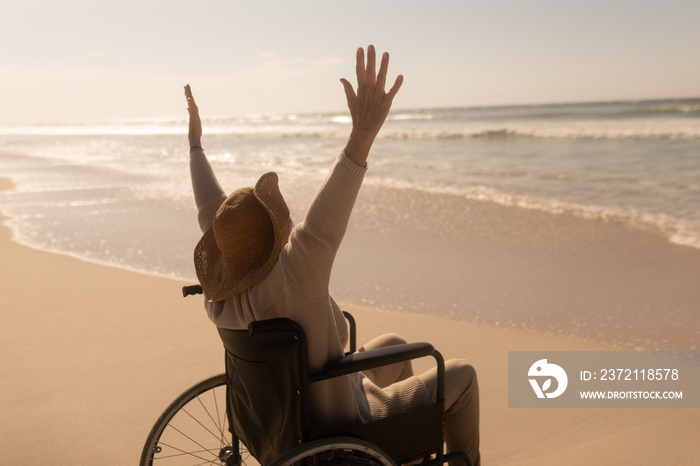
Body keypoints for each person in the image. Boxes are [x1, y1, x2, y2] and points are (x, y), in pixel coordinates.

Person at [186, 45, 480, 466]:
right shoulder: (295, 272)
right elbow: (333, 205)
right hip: (338, 424)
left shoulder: (220, 293)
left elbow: (209, 209)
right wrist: (364, 131)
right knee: (463, 374)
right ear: (275, 231)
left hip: (283, 421)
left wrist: (195, 145)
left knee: (396, 345)